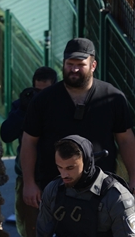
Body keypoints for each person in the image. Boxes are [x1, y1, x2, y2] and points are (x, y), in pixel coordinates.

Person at [22, 38, 135, 210]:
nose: (74, 69)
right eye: (70, 64)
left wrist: (133, 177)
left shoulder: (112, 98)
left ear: (93, 65)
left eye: (80, 64)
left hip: (101, 190)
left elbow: (126, 140)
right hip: (54, 189)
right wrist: (29, 183)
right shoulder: (43, 100)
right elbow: (29, 141)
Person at [0, 67, 58, 237]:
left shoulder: (61, 105)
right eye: (37, 91)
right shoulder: (24, 105)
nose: (40, 96)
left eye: (45, 92)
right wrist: (24, 110)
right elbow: (6, 134)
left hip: (57, 176)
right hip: (28, 176)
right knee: (31, 232)